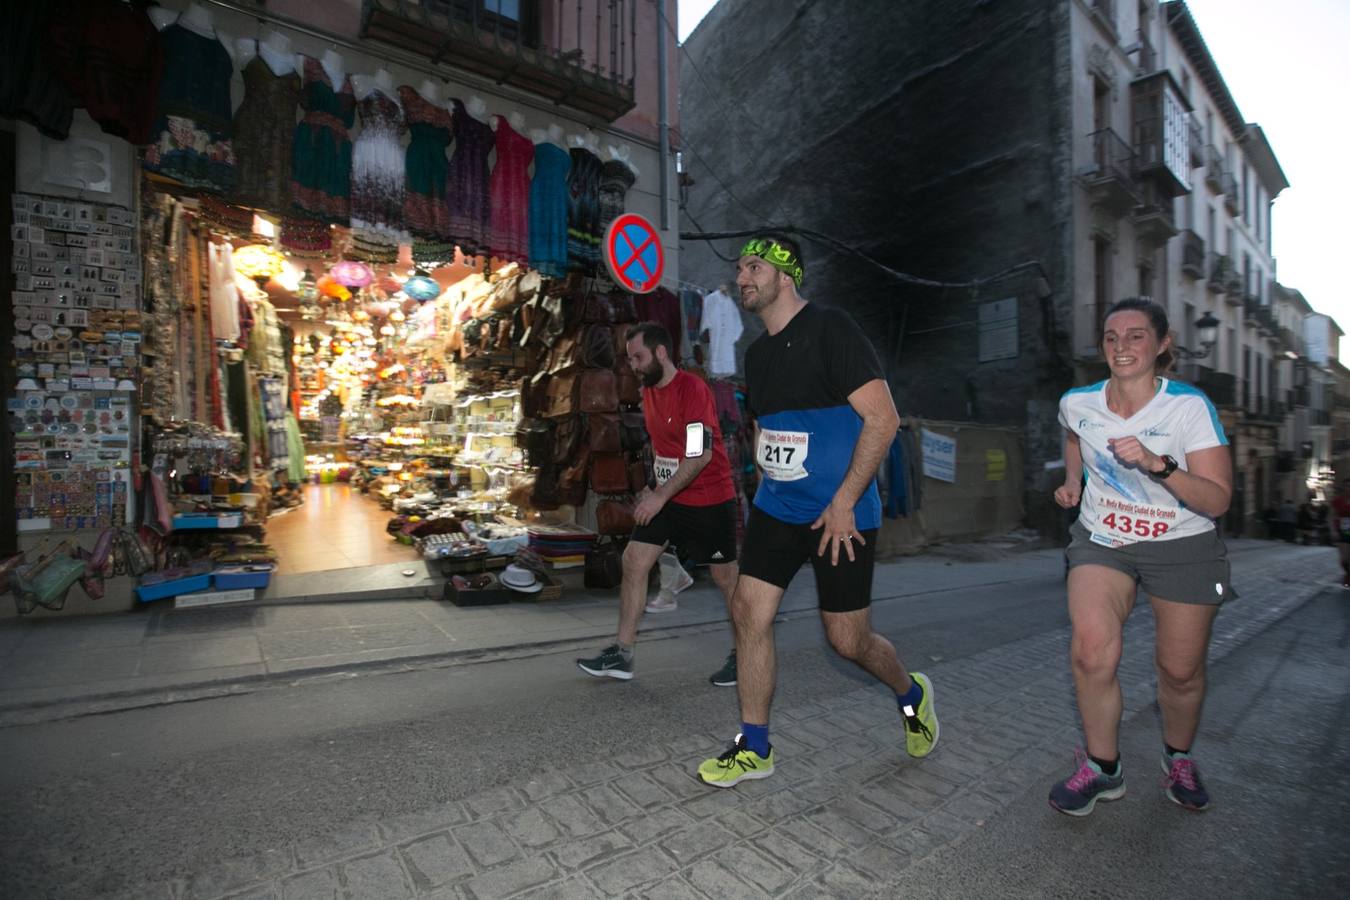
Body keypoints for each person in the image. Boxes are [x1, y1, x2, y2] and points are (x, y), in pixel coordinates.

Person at [696, 234, 938, 788]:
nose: (742, 278)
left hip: (842, 515)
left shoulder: (832, 330)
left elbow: (883, 420)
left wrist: (845, 502)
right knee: (748, 612)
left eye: (753, 267)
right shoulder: (757, 356)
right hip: (778, 508)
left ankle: (911, 693)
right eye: (739, 269)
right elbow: (765, 429)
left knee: (848, 641)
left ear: (786, 275)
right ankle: (755, 746)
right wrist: (764, 480)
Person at [1050, 297, 1232, 816]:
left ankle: (1178, 757)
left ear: (1161, 344)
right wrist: (1072, 479)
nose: (1121, 346)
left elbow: (1218, 499)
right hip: (1103, 538)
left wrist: (1159, 465)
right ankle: (1104, 769)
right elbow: (1073, 434)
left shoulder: (1187, 408)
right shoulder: (1078, 402)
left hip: (1183, 543)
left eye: (1135, 336)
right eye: (1111, 337)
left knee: (1179, 671)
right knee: (1091, 652)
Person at [576, 321, 740, 686]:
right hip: (670, 497)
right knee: (634, 560)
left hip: (710, 499)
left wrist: (660, 496)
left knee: (725, 578)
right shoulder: (648, 391)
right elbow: (663, 448)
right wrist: (651, 486)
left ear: (661, 353)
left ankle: (745, 654)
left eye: (638, 357)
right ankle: (622, 653)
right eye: (630, 358)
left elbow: (698, 455)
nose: (632, 365)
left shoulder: (693, 390)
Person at [1331, 483, 1350, 585]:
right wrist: (1333, 530)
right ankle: (1348, 573)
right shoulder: (1338, 501)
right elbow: (1333, 515)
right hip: (1343, 531)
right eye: (1347, 486)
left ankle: (1348, 577)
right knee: (1344, 559)